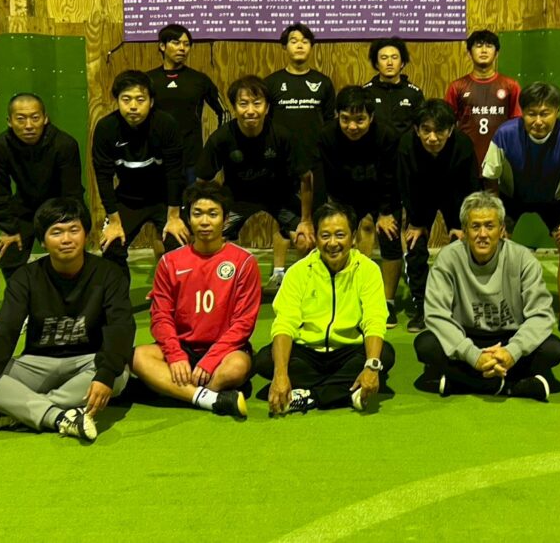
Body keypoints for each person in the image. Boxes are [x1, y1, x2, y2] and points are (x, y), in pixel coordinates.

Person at [0, 198, 135, 442]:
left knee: (118, 374)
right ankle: (59, 417)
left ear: (85, 235)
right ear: (42, 241)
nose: (66, 239)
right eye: (56, 232)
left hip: (86, 362)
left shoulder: (108, 274)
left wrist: (104, 375)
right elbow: (5, 332)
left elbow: (120, 327)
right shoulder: (26, 277)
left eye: (74, 230)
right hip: (37, 363)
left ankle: (18, 414)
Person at [414, 192, 560, 400]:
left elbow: (541, 315)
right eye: (475, 227)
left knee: (553, 349)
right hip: (465, 335)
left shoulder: (523, 259)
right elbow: (436, 315)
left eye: (489, 226)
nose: (482, 234)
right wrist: (473, 356)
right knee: (426, 345)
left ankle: (463, 381)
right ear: (465, 231)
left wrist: (512, 351)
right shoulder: (448, 258)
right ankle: (509, 386)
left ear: (502, 230)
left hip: (510, 336)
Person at [130, 182, 261, 419]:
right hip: (182, 347)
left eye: (213, 214)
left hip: (225, 350)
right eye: (197, 214)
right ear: (188, 219)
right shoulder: (170, 262)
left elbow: (243, 323)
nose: (204, 221)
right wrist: (175, 355)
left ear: (225, 219)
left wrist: (210, 360)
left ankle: (177, 390)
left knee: (237, 368)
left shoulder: (244, 262)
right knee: (138, 357)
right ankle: (210, 398)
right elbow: (160, 316)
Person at [482, 82, 560, 341]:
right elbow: (490, 178)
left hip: (554, 199)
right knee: (491, 243)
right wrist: (496, 219)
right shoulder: (505, 134)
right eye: (531, 113)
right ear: (521, 113)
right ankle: (497, 307)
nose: (538, 121)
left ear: (557, 112)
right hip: (512, 196)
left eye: (545, 113)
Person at [254, 202, 394, 414]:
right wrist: (280, 374)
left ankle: (309, 396)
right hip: (308, 353)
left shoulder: (369, 270)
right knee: (265, 360)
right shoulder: (298, 272)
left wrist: (370, 366)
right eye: (325, 235)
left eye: (340, 235)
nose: (333, 243)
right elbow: (284, 324)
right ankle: (343, 391)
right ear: (316, 238)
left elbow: (374, 320)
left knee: (384, 355)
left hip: (348, 351)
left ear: (353, 237)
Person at [195, 75, 316, 292]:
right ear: (234, 108)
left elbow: (306, 177)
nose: (250, 110)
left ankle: (304, 289)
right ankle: (221, 288)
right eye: (243, 104)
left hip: (280, 196)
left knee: (306, 239)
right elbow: (202, 180)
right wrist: (207, 213)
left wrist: (306, 220)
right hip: (237, 197)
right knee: (209, 235)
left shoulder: (282, 136)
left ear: (267, 108)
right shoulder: (221, 138)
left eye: (257, 103)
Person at [316, 86, 404, 327]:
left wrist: (384, 212)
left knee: (389, 235)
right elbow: (329, 178)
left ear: (371, 117)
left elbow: (391, 177)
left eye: (359, 120)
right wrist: (342, 213)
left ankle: (387, 301)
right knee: (341, 239)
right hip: (345, 195)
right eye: (345, 119)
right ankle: (347, 295)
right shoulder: (327, 136)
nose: (352, 126)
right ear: (337, 116)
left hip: (383, 193)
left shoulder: (387, 135)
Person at [92, 69, 189, 281]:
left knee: (179, 244)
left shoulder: (166, 124)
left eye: (140, 99)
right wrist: (113, 221)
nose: (133, 106)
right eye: (126, 99)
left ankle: (174, 296)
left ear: (151, 102)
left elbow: (175, 173)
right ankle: (119, 299)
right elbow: (103, 177)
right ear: (117, 101)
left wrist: (174, 217)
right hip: (127, 199)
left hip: (164, 198)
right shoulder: (106, 128)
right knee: (111, 247)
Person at [397, 99, 481, 333]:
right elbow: (405, 187)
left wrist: (462, 224)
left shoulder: (463, 145)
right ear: (417, 130)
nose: (432, 138)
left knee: (464, 247)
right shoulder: (406, 145)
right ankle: (422, 306)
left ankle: (458, 304)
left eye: (439, 131)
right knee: (414, 246)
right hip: (420, 196)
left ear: (451, 130)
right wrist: (416, 223)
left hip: (455, 196)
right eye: (426, 130)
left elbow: (471, 187)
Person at [264, 23, 335, 287]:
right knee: (283, 218)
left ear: (311, 47)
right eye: (294, 41)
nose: (300, 45)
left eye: (305, 41)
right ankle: (278, 271)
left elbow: (329, 123)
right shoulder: (272, 83)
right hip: (280, 163)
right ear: (285, 47)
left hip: (315, 162)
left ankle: (310, 271)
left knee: (314, 218)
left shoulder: (322, 83)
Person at [0, 93, 84, 282]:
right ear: (9, 121)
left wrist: (71, 226)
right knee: (9, 259)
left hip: (60, 209)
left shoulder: (64, 144)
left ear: (45, 118)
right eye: (21, 119)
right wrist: (9, 229)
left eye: (35, 118)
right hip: (24, 210)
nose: (29, 125)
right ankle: (22, 297)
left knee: (68, 257)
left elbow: (72, 192)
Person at [146, 24, 228, 185]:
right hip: (156, 158)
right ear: (162, 46)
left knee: (191, 200)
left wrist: (215, 146)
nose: (182, 48)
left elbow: (225, 113)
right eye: (176, 43)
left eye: (186, 44)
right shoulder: (148, 80)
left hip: (191, 160)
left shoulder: (199, 80)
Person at [444, 29, 522, 175]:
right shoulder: (457, 87)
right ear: (469, 53)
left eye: (489, 46)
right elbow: (447, 124)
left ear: (496, 53)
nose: (484, 50)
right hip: (466, 159)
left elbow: (517, 124)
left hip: (501, 158)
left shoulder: (511, 86)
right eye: (478, 46)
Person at [363, 37, 425, 135]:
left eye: (394, 57)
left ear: (402, 63)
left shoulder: (414, 93)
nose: (390, 63)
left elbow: (421, 125)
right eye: (384, 58)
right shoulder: (366, 92)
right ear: (376, 64)